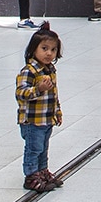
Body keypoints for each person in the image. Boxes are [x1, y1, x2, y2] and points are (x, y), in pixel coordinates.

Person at [15, 25, 65, 193]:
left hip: (46, 118)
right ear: (33, 49)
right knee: (34, 147)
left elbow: (54, 95)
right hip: (32, 121)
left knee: (43, 147)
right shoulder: (29, 71)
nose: (49, 53)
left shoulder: (50, 70)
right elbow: (21, 93)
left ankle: (42, 171)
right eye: (44, 49)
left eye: (53, 49)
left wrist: (57, 112)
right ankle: (30, 176)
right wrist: (38, 89)